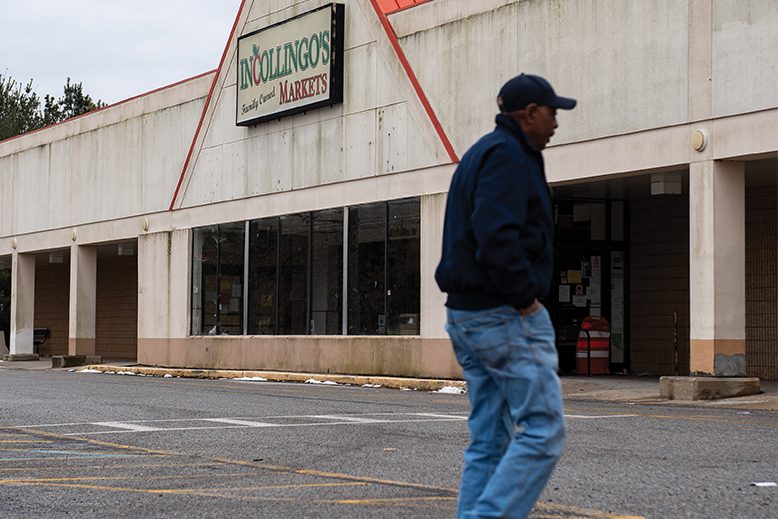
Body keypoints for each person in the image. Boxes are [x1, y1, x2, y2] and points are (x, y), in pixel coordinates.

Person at [435, 73, 576, 519]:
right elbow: (496, 236)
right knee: (544, 430)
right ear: (529, 113)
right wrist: (526, 300)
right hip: (501, 315)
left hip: (468, 316)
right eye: (552, 112)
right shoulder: (509, 157)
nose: (556, 122)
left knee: (491, 440)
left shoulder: (483, 152)